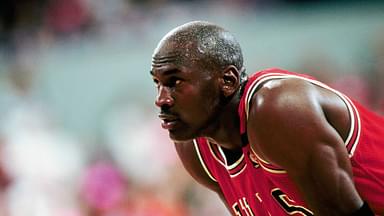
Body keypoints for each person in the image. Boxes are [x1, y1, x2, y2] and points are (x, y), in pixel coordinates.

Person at [149, 21, 384, 215]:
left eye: (175, 82)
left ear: (228, 82)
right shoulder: (194, 148)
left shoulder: (277, 109)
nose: (161, 99)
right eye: (157, 83)